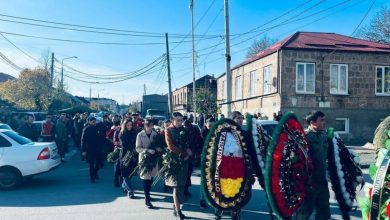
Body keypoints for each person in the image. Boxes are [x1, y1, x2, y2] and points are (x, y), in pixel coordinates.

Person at [295, 111, 330, 220]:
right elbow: (296, 158)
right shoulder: (305, 136)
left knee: (324, 212)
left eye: (325, 120)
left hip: (323, 181)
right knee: (304, 212)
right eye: (321, 120)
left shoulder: (324, 136)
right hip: (309, 182)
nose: (324, 123)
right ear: (312, 122)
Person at [165, 112, 192, 220]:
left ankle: (175, 207)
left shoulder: (185, 130)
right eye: (178, 120)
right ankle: (179, 211)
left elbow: (188, 143)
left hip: (184, 161)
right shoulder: (168, 130)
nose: (180, 122)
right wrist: (184, 153)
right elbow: (171, 146)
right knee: (176, 186)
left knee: (181, 185)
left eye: (181, 120)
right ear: (172, 120)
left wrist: (190, 151)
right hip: (173, 161)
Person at [136, 119, 161, 209]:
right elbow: (138, 148)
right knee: (146, 179)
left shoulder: (155, 134)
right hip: (145, 159)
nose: (150, 127)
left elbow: (158, 144)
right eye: (148, 125)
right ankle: (147, 199)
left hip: (153, 158)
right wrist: (146, 150)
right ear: (145, 125)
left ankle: (148, 194)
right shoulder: (140, 134)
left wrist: (159, 149)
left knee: (151, 178)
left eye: (151, 125)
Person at [119, 120, 138, 199]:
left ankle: (124, 185)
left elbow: (137, 143)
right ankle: (130, 191)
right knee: (125, 173)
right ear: (124, 126)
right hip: (125, 155)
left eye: (130, 125)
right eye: (128, 125)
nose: (129, 126)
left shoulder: (134, 132)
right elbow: (124, 144)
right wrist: (133, 148)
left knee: (130, 173)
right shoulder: (122, 133)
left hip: (133, 155)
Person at [199, 117, 215, 209]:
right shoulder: (203, 133)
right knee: (204, 180)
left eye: (212, 125)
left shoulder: (215, 132)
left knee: (212, 180)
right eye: (209, 125)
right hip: (205, 159)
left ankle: (210, 199)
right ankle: (202, 200)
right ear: (206, 124)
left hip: (213, 159)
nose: (211, 127)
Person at [81, 117, 103, 183]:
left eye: (95, 121)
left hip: (98, 148)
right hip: (89, 149)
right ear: (89, 122)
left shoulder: (98, 128)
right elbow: (83, 140)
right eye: (93, 121)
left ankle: (95, 172)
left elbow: (101, 138)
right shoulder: (86, 129)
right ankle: (92, 177)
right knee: (91, 163)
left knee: (98, 163)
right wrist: (83, 150)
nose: (94, 123)